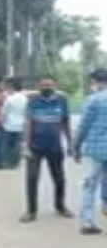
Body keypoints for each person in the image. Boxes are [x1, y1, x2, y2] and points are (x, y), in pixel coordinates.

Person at [20, 76, 73, 223]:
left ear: (55, 86)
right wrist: (26, 146)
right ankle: (31, 211)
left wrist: (70, 144)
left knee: (59, 178)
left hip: (55, 146)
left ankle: (60, 206)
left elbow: (65, 122)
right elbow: (29, 123)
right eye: (43, 85)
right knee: (31, 178)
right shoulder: (33, 100)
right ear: (39, 86)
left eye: (49, 85)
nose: (46, 88)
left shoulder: (62, 100)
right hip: (35, 147)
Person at [74, 68, 107, 234]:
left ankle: (87, 222)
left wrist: (76, 146)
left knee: (90, 185)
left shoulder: (93, 100)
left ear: (95, 82)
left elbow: (84, 126)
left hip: (96, 149)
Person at [0, 77, 27, 168]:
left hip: (8, 126)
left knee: (6, 146)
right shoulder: (24, 99)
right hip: (20, 126)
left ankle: (7, 163)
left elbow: (4, 112)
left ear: (12, 87)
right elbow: (26, 113)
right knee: (17, 146)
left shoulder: (9, 99)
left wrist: (1, 122)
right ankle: (16, 163)